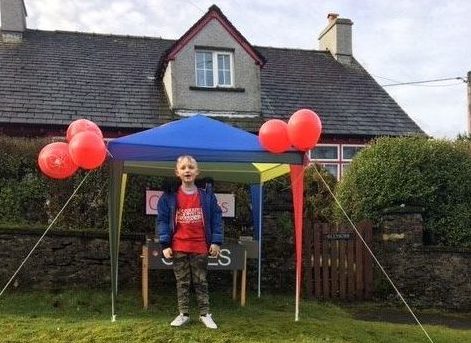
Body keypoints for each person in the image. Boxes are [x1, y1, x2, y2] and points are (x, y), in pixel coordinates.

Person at [157, 155, 223, 329]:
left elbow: (217, 217)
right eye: (184, 167)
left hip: (200, 246)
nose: (187, 170)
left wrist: (216, 241)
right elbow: (162, 221)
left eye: (191, 167)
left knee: (201, 282)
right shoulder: (169, 197)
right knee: (182, 282)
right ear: (177, 172)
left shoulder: (207, 196)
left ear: (197, 172)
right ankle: (183, 314)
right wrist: (165, 244)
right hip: (178, 246)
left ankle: (205, 314)